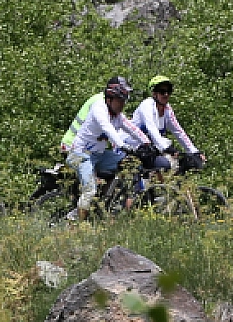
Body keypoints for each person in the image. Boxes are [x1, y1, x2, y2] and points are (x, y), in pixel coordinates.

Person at [64, 76, 149, 219]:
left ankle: (104, 203)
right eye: (120, 100)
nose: (122, 104)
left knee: (129, 163)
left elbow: (133, 129)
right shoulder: (99, 108)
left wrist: (147, 144)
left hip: (98, 155)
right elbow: (107, 128)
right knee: (90, 191)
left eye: (124, 101)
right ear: (110, 98)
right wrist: (123, 145)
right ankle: (77, 222)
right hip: (80, 154)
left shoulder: (117, 115)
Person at [134, 76, 203, 176]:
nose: (166, 95)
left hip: (149, 150)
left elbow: (179, 132)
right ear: (154, 93)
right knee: (163, 165)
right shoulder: (147, 105)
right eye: (162, 91)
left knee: (178, 165)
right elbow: (152, 130)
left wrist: (194, 151)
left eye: (168, 91)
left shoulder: (167, 109)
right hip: (132, 147)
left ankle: (163, 190)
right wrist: (167, 148)